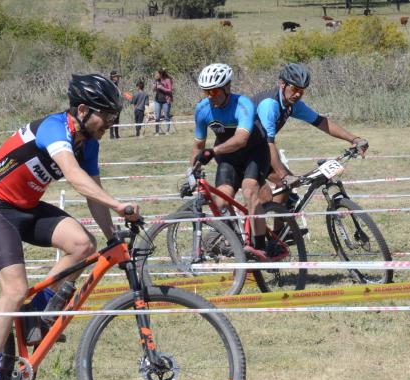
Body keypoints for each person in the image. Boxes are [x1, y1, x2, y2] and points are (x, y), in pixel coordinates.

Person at [0, 74, 140, 380]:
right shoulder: (53, 128)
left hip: (26, 207)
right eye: (106, 115)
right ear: (83, 109)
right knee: (14, 289)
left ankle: (36, 314)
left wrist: (110, 236)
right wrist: (119, 204)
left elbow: (93, 195)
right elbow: (75, 178)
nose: (110, 122)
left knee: (82, 245)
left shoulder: (89, 142)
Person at [192, 63, 285, 262]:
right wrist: (190, 172)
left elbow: (241, 139)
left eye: (215, 90)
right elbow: (198, 145)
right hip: (229, 157)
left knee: (249, 188)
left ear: (227, 87)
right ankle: (234, 239)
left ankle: (260, 247)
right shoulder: (202, 109)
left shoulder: (243, 104)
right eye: (206, 91)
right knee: (221, 201)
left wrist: (213, 151)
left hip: (254, 152)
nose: (211, 96)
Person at [250, 63, 369, 205]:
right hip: (243, 152)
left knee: (285, 188)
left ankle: (277, 226)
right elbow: (268, 143)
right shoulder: (270, 105)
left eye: (302, 90)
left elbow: (321, 122)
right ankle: (236, 223)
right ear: (283, 84)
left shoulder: (292, 104)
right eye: (294, 89)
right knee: (266, 195)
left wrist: (354, 139)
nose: (298, 94)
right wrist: (284, 175)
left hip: (258, 148)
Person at [152, 68, 173, 135]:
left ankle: (167, 131)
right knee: (157, 116)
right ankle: (157, 132)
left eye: (157, 73)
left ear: (161, 74)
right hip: (157, 101)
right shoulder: (156, 80)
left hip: (166, 101)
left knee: (166, 116)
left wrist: (162, 88)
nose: (156, 75)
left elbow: (170, 90)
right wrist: (154, 87)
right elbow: (153, 90)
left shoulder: (167, 80)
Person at [108, 70, 121, 139]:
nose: (118, 78)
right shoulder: (110, 84)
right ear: (112, 77)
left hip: (117, 105)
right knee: (112, 120)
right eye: (116, 76)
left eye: (118, 77)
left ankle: (116, 134)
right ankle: (111, 135)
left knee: (117, 120)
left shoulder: (116, 84)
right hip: (112, 105)